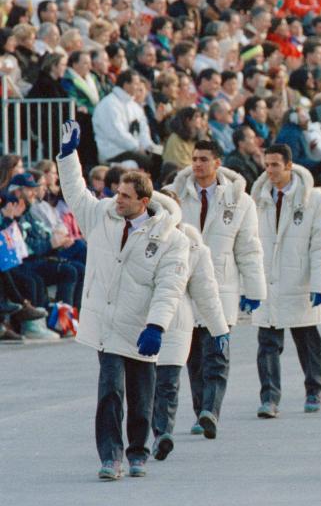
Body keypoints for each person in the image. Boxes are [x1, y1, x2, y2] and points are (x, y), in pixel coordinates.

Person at [56, 120, 189, 480]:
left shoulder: (171, 239)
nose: (117, 200)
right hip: (106, 323)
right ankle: (110, 456)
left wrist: (157, 326)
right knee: (110, 390)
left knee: (141, 396)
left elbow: (169, 287)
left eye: (126, 197)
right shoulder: (101, 216)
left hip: (142, 326)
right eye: (116, 193)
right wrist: (69, 156)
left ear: (144, 202)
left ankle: (137, 452)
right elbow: (76, 193)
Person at [169, 140, 265, 439]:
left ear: (217, 163)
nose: (197, 164)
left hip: (221, 285)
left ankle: (211, 410)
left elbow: (248, 248)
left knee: (217, 353)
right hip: (185, 285)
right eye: (194, 159)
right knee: (193, 355)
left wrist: (254, 289)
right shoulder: (174, 197)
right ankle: (201, 411)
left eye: (204, 159)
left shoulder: (239, 201)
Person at [251, 144, 321, 418]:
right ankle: (269, 398)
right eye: (266, 165)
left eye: (275, 165)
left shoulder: (314, 201)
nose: (270, 171)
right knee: (267, 342)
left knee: (307, 339)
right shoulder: (258, 199)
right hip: (268, 281)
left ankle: (314, 390)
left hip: (300, 281)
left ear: (289, 165)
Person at [151, 188, 230, 461]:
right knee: (147, 383)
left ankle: (163, 434)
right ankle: (154, 432)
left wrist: (219, 328)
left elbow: (206, 290)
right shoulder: (138, 237)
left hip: (177, 320)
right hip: (140, 320)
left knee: (168, 382)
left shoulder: (191, 242)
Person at [223, 124, 265, 193]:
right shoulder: (234, 163)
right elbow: (253, 188)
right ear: (241, 144)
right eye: (252, 138)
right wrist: (263, 168)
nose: (256, 141)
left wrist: (261, 165)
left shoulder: (252, 158)